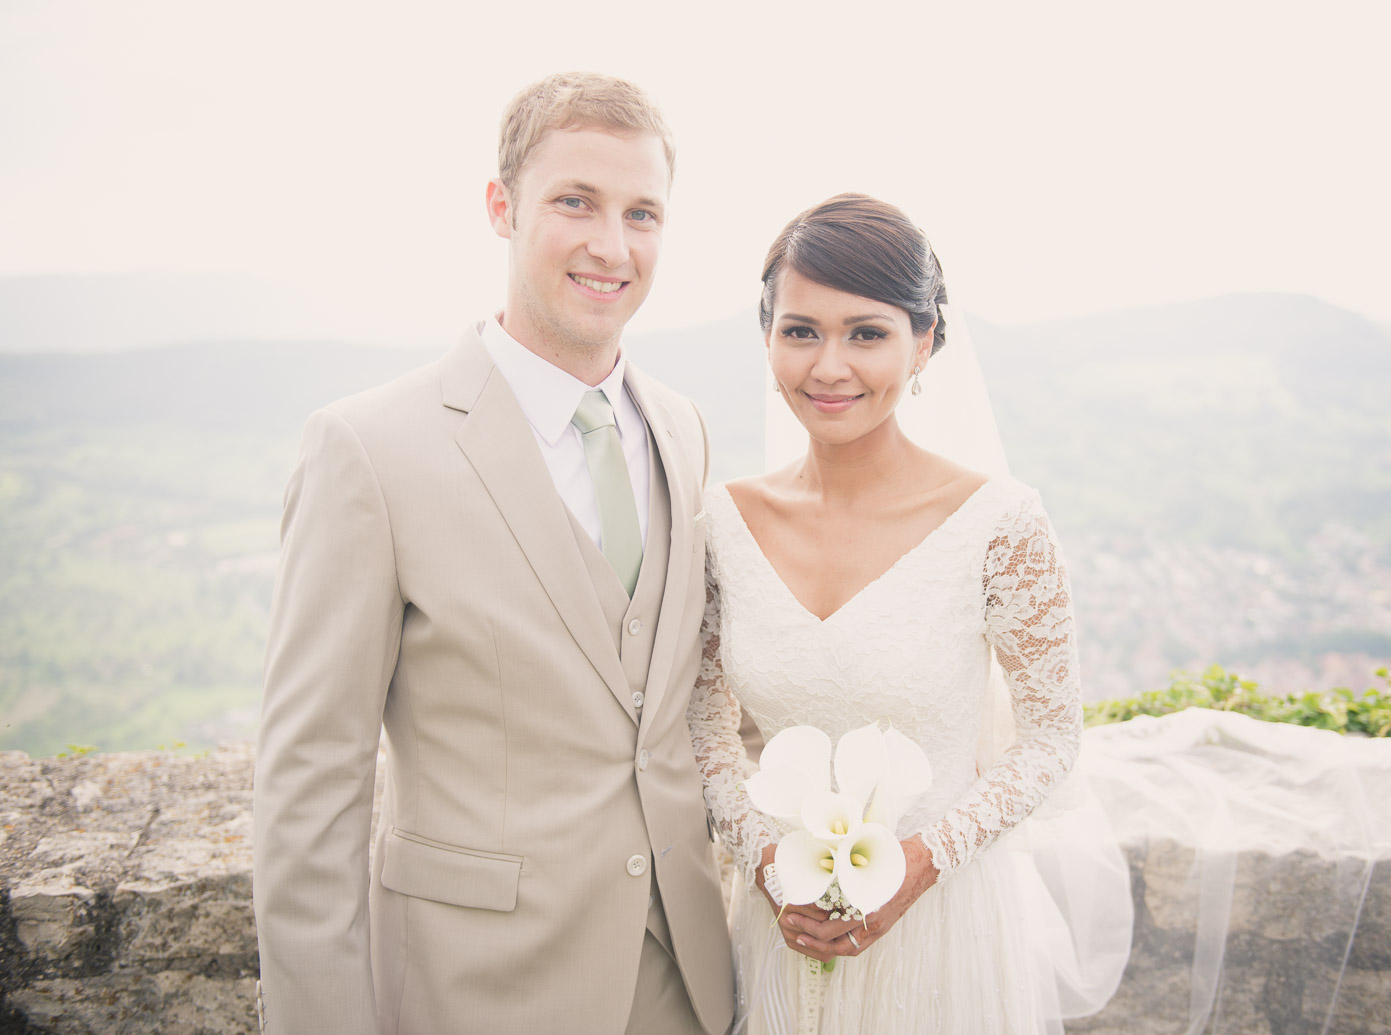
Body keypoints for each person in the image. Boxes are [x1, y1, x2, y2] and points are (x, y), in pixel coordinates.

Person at [253, 73, 734, 1035]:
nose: (613, 244)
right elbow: (311, 788)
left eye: (643, 213)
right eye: (575, 202)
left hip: (691, 986)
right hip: (479, 994)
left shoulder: (683, 430)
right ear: (500, 207)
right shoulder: (369, 451)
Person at [688, 194, 1132, 1034]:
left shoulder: (1001, 522)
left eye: (867, 333)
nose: (829, 366)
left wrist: (919, 866)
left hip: (947, 926)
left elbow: (1050, 739)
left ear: (925, 342)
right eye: (801, 330)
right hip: (780, 924)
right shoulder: (724, 523)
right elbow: (706, 730)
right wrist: (770, 864)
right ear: (769, 338)